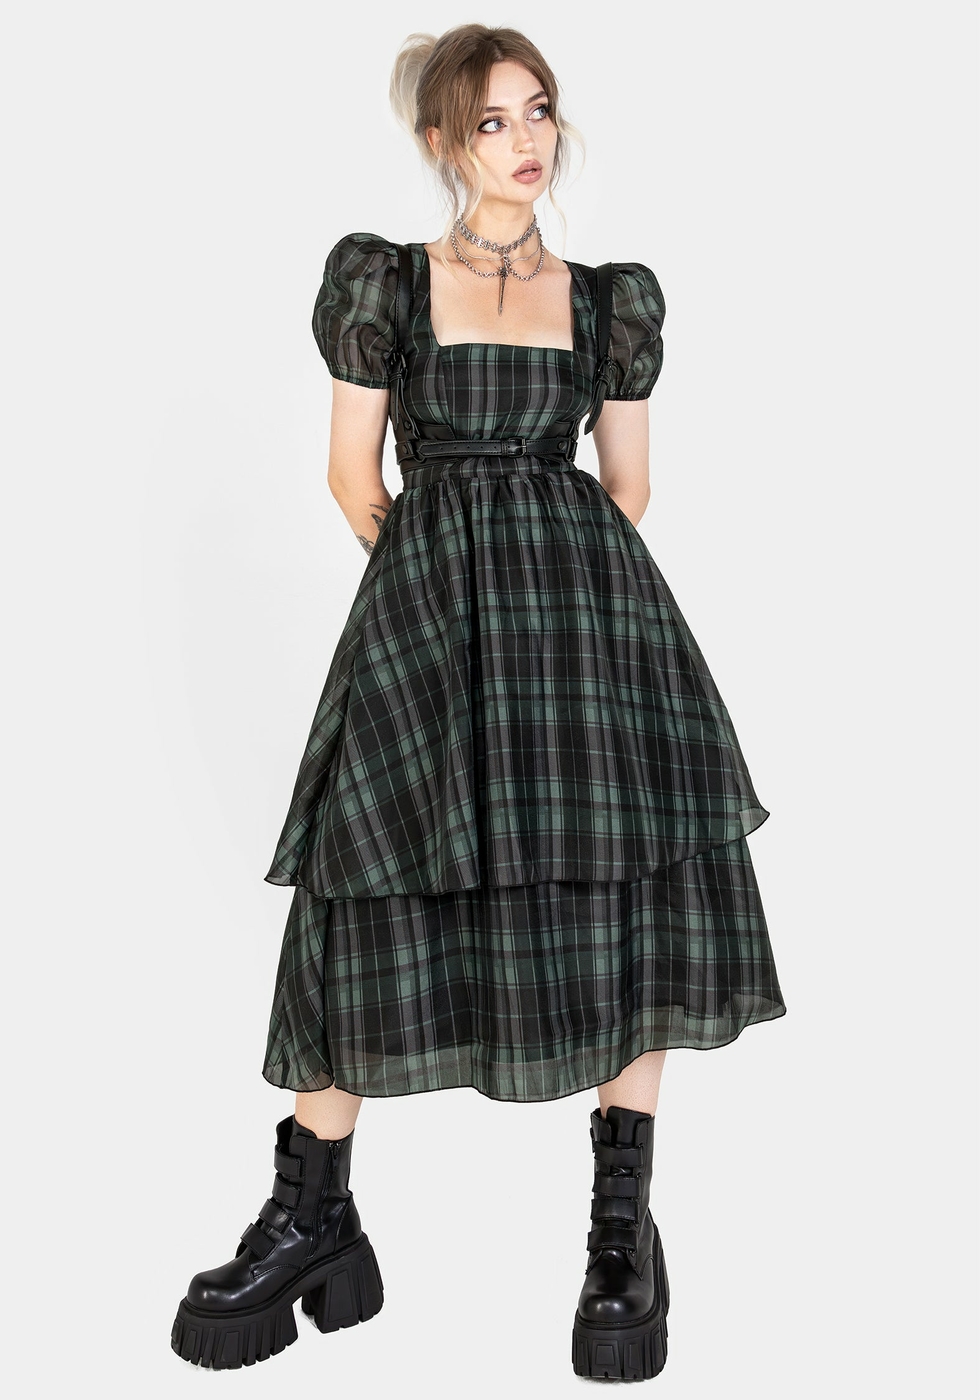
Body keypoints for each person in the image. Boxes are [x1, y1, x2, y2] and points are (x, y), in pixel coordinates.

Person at [170, 22, 786, 1382]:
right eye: (495, 121)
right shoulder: (386, 282)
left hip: (592, 630)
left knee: (624, 893)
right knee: (366, 887)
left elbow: (628, 485)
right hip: (427, 625)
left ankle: (622, 1235)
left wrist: (546, 600)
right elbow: (354, 476)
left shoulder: (608, 298)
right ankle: (313, 1215)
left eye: (540, 112)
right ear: (442, 141)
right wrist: (439, 601)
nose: (526, 141)